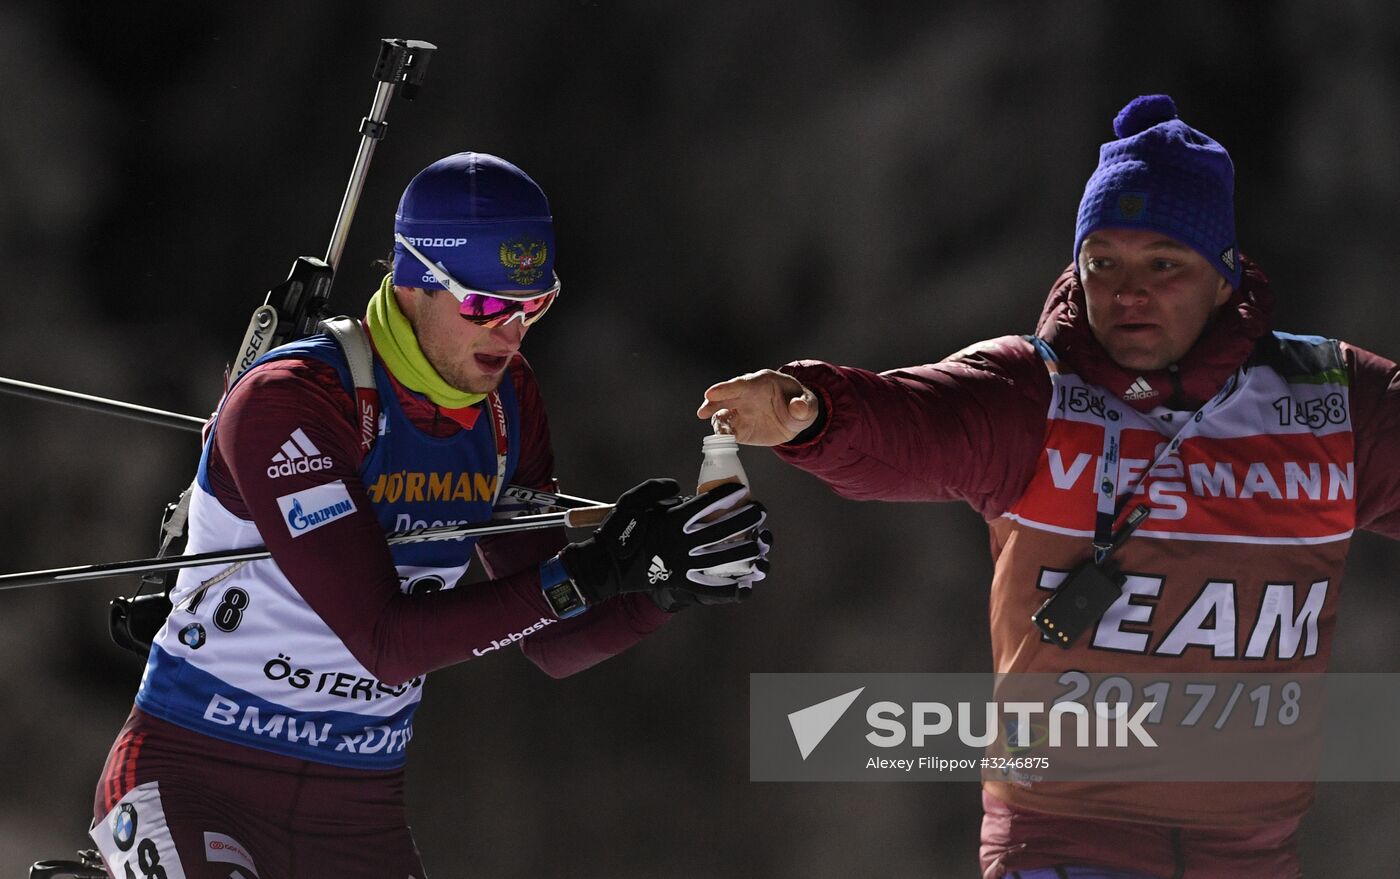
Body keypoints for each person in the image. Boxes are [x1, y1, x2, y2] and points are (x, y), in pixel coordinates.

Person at [698, 94, 1400, 879]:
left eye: (1163, 263)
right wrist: (811, 407)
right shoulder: (1037, 390)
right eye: (1104, 263)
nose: (1129, 291)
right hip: (1063, 843)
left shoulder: (1327, 400)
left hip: (1251, 855)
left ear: (1224, 273)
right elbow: (916, 421)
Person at [89, 152, 770, 878]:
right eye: (484, 305)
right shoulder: (293, 399)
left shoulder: (509, 405)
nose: (509, 334)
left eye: (532, 306)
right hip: (200, 771)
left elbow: (554, 639)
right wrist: (595, 570)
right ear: (414, 283)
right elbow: (383, 641)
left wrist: (663, 582)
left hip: (356, 809)